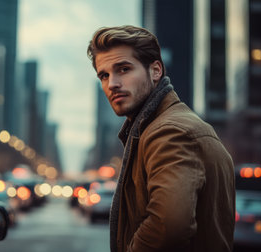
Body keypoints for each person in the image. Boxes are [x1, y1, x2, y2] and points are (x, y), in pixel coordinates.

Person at [87, 25, 235, 252]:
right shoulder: (158, 128)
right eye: (104, 75)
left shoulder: (170, 131)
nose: (112, 84)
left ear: (156, 71)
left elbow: (168, 226)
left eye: (124, 69)